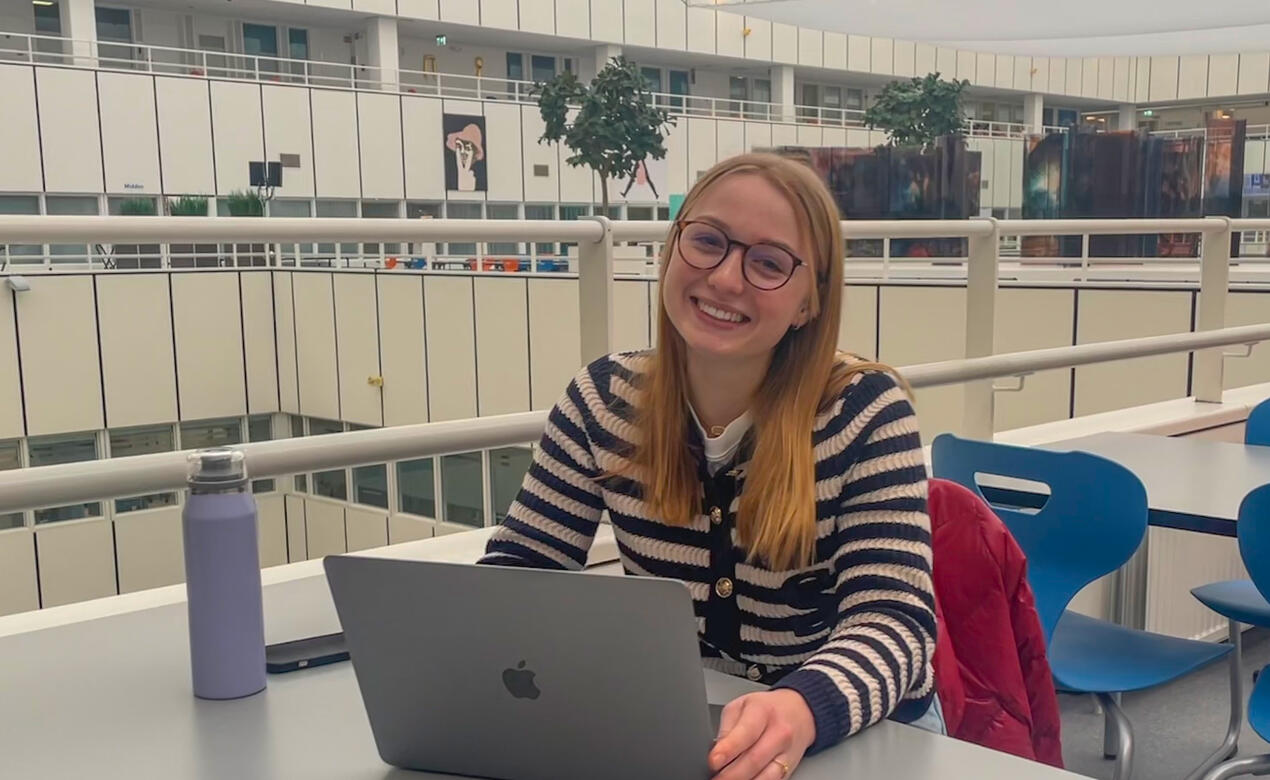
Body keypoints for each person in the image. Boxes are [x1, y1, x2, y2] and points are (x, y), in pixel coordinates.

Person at [481, 152, 936, 779]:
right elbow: (523, 568)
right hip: (690, 727)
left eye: (769, 263)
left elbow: (894, 621)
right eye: (707, 241)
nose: (725, 278)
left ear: (809, 303)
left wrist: (801, 706)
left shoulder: (865, 412)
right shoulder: (601, 400)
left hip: (858, 731)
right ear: (671, 251)